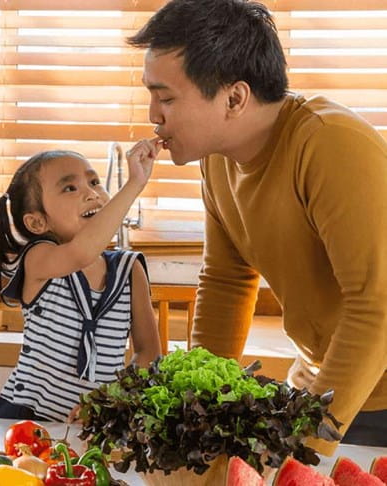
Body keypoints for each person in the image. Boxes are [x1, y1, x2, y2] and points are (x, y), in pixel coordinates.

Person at [128, 0, 387, 451]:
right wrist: (195, 413)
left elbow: (376, 302)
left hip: (368, 393)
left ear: (234, 98)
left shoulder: (329, 143)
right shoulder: (218, 160)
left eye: (166, 98)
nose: (153, 115)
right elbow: (226, 281)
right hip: (317, 382)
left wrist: (309, 440)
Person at [0, 145, 163, 422]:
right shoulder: (39, 259)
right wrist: (134, 184)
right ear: (37, 223)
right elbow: (81, 253)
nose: (91, 193)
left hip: (94, 425)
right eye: (70, 188)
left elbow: (149, 354)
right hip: (26, 419)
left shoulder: (129, 270)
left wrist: (110, 399)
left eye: (94, 182)